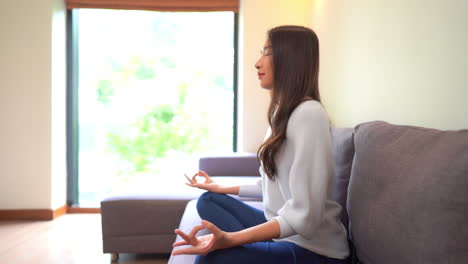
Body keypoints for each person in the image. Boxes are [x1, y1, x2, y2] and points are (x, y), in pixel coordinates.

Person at [171, 25, 350, 264]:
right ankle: (258, 248)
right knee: (209, 201)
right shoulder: (280, 114)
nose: (257, 63)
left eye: (267, 53)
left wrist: (231, 239)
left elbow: (304, 215)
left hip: (315, 251)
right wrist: (220, 187)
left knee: (210, 259)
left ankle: (254, 248)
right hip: (284, 237)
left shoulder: (310, 115)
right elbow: (271, 185)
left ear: (289, 59)